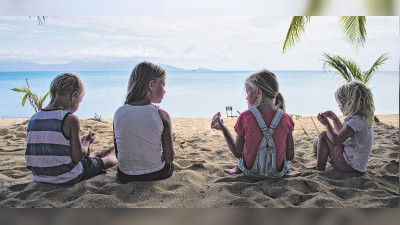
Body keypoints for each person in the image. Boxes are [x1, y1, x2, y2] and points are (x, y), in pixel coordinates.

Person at [25, 73, 118, 185]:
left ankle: (99, 152)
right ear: (74, 95)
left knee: (87, 160)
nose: (79, 104)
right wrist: (86, 142)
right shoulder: (70, 119)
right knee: (105, 161)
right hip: (65, 176)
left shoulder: (34, 118)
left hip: (39, 176)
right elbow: (77, 156)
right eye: (80, 100)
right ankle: (112, 157)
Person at [211, 70, 300, 179]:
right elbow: (290, 156)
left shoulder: (245, 117)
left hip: (251, 173)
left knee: (244, 154)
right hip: (277, 173)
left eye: (247, 92)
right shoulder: (286, 118)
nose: (246, 97)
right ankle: (286, 171)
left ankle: (238, 168)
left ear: (258, 93)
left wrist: (223, 128)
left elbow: (237, 152)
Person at [113, 61, 175, 182]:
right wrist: (171, 140)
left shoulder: (118, 113)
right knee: (169, 166)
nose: (165, 90)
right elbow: (169, 158)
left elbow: (118, 154)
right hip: (156, 173)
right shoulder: (161, 115)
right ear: (151, 85)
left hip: (125, 175)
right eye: (163, 85)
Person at [308, 81, 374, 173]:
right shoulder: (363, 119)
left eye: (340, 105)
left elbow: (336, 141)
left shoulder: (355, 121)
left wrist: (327, 124)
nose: (339, 107)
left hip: (349, 165)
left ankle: (319, 167)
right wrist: (334, 119)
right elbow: (343, 133)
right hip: (358, 166)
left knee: (323, 135)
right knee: (326, 136)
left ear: (351, 103)